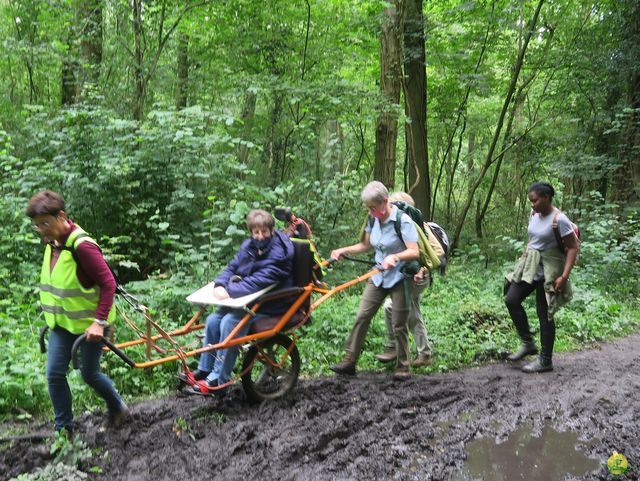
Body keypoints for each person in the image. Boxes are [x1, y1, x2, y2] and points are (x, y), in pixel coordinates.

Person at [26, 190, 128, 435]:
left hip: (89, 326)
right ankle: (64, 432)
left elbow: (108, 284)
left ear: (61, 216)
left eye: (45, 224)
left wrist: (99, 322)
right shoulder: (53, 243)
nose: (41, 230)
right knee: (54, 375)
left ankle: (118, 408)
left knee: (90, 375)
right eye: (37, 226)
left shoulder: (82, 247)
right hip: (62, 324)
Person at [188, 209, 294, 395]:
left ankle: (219, 380)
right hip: (251, 301)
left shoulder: (279, 255)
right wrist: (220, 284)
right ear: (251, 233)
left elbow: (260, 280)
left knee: (230, 323)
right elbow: (232, 267)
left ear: (272, 231)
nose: (260, 236)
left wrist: (229, 290)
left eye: (264, 232)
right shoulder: (249, 246)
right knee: (213, 319)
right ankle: (205, 370)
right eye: (256, 233)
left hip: (272, 303)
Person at [329, 181, 419, 380]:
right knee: (362, 315)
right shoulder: (372, 220)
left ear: (385, 202)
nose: (370, 212)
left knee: (398, 323)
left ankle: (403, 367)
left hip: (400, 276)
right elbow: (366, 245)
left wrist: (395, 257)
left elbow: (414, 250)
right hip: (378, 275)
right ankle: (349, 361)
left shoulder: (402, 221)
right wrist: (344, 250)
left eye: (373, 208)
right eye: (367, 208)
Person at [504, 182, 578, 373]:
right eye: (530, 201)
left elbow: (572, 247)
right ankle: (528, 343)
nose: (532, 204)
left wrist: (564, 276)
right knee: (511, 299)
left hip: (550, 269)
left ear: (546, 198)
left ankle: (545, 360)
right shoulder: (534, 214)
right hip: (531, 266)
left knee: (544, 313)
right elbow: (533, 238)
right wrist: (525, 253)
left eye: (535, 200)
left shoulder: (560, 220)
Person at [375, 192, 434, 368]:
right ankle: (421, 353)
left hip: (417, 278)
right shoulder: (394, 226)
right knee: (405, 311)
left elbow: (435, 254)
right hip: (405, 277)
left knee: (402, 311)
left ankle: (420, 353)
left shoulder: (417, 227)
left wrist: (423, 269)